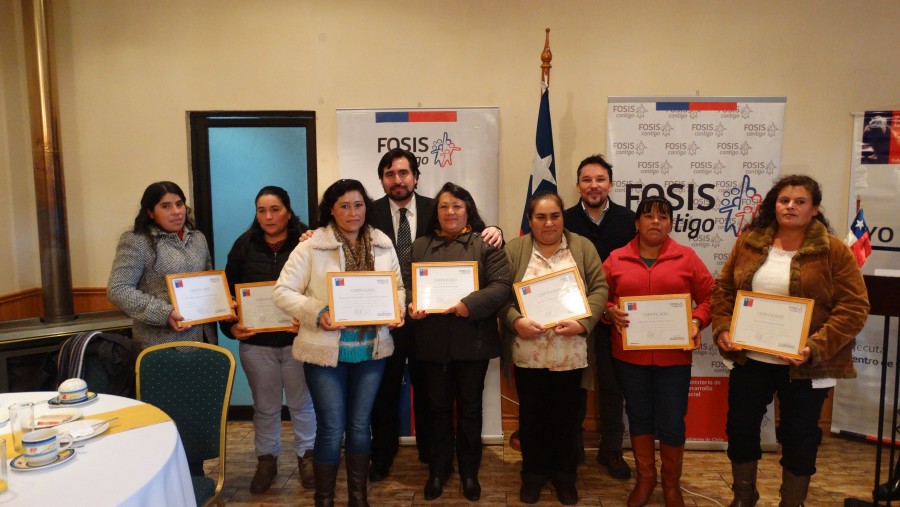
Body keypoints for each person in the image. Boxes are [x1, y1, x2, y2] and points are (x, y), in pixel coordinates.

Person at [711, 175, 869, 507]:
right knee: (740, 428)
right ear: (774, 205)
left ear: (814, 209)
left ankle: (791, 502)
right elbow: (724, 289)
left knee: (800, 436)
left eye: (800, 201)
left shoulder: (833, 250)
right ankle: (743, 496)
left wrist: (816, 347)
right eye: (784, 200)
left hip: (806, 366)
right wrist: (724, 328)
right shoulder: (749, 242)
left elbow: (854, 306)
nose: (790, 207)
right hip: (751, 359)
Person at [368, 148, 503, 482]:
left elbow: (480, 239)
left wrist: (496, 229)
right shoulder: (367, 213)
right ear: (382, 179)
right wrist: (309, 233)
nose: (397, 180)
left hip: (439, 329)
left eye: (403, 173)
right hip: (390, 317)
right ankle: (384, 458)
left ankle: (438, 460)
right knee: (387, 392)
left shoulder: (437, 207)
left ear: (416, 176)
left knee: (439, 402)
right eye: (390, 174)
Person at [272, 179, 405, 507]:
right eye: (344, 206)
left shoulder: (383, 244)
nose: (352, 212)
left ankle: (358, 497)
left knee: (360, 426)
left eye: (358, 205)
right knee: (331, 428)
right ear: (331, 210)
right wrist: (317, 313)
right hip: (324, 352)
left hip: (371, 350)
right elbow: (282, 291)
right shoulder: (311, 246)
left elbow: (398, 288)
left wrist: (396, 309)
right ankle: (325, 499)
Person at [602, 196, 713, 507]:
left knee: (673, 421)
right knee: (638, 416)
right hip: (630, 357)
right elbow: (598, 297)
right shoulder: (616, 259)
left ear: (671, 224)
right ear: (636, 223)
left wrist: (697, 320)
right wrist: (609, 311)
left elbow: (711, 297)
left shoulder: (687, 258)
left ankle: (671, 484)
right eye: (648, 216)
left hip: (673, 357)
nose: (655, 222)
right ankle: (646, 479)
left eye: (663, 217)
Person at [501, 191, 608, 505]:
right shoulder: (515, 250)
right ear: (530, 220)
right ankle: (533, 475)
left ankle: (564, 477)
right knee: (532, 418)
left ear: (563, 217)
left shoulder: (582, 247)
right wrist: (516, 320)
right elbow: (500, 294)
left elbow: (600, 288)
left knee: (567, 420)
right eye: (541, 217)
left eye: (555, 216)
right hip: (528, 352)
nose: (548, 223)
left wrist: (583, 322)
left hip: (570, 353)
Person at [406, 182, 511, 501]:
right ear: (435, 212)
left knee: (470, 409)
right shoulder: (420, 246)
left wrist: (470, 304)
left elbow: (502, 285)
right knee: (436, 409)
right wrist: (411, 303)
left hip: (472, 341)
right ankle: (438, 470)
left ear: (468, 211)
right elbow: (407, 285)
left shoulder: (486, 243)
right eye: (444, 206)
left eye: (457, 206)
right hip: (431, 342)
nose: (450, 212)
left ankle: (469, 471)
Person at [220, 186, 316, 493]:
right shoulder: (243, 245)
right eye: (261, 210)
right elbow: (227, 294)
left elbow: (321, 289)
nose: (268, 216)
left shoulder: (307, 243)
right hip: (257, 345)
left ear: (288, 211)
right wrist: (231, 327)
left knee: (303, 404)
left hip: (300, 341)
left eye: (275, 209)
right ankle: (266, 460)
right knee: (265, 408)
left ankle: (307, 457)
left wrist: (307, 318)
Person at [563, 154, 636, 478]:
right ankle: (573, 445)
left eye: (600, 179)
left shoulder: (629, 221)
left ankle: (612, 450)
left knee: (612, 386)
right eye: (587, 180)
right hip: (572, 317)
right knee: (573, 385)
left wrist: (611, 307)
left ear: (610, 184)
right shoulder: (562, 220)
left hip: (613, 317)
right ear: (578, 185)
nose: (594, 185)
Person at [108, 181, 218, 351]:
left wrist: (222, 303)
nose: (176, 211)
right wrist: (164, 313)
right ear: (150, 212)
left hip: (205, 339)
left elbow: (208, 282)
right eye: (166, 206)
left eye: (179, 204)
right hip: (161, 345)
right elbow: (118, 290)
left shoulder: (198, 238)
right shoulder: (137, 241)